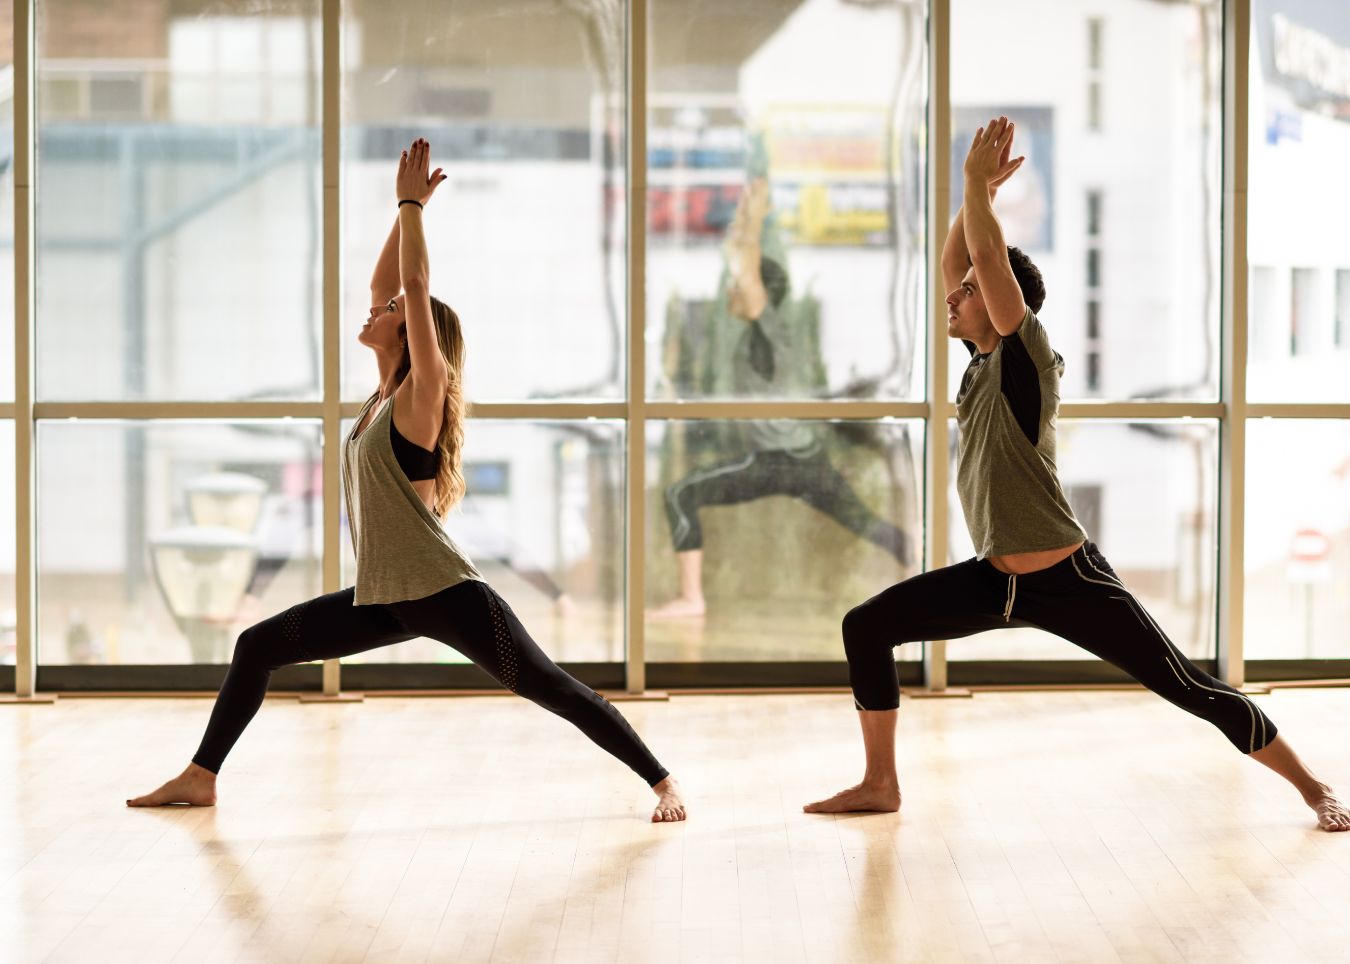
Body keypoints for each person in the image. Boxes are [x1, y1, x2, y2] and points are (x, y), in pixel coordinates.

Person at [803, 117, 1349, 833]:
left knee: (1188, 685)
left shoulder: (1026, 360)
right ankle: (880, 783)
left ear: (1003, 308)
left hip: (1067, 578)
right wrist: (974, 200)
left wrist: (978, 195)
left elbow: (989, 269)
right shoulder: (978, 364)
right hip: (993, 578)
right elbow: (957, 264)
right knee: (865, 627)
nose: (952, 297)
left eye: (968, 292)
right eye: (959, 290)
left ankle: (1313, 788)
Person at [128, 139, 687, 823]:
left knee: (552, 687)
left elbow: (415, 288)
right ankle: (201, 775)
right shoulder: (380, 398)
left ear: (415, 334)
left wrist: (412, 206)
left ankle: (662, 781)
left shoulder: (424, 396)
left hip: (446, 594)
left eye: (390, 313)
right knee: (256, 647)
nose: (376, 310)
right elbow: (386, 286)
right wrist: (407, 214)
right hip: (386, 597)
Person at [651, 177, 913, 620]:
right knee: (868, 523)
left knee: (680, 494)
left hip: (777, 462)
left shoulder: (770, 329)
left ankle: (692, 598)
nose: (733, 292)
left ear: (763, 296)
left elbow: (748, 276)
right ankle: (920, 580)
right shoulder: (767, 334)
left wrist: (753, 222)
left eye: (741, 288)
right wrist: (740, 226)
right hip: (806, 459)